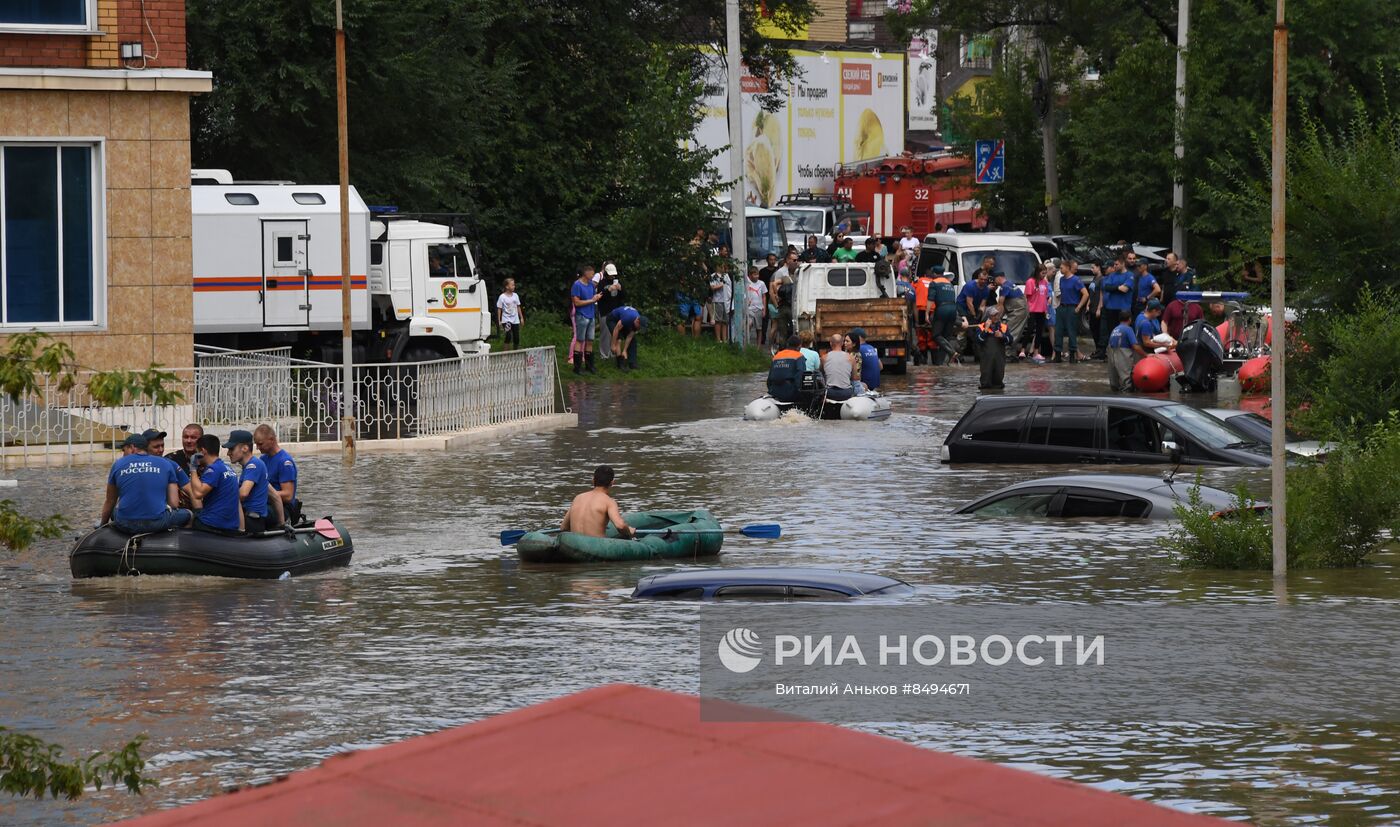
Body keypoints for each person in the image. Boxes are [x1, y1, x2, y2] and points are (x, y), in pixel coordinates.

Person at [99, 433, 190, 534]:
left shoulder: (118, 464)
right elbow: (174, 503)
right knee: (189, 514)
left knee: (114, 510)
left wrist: (102, 526)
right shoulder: (166, 463)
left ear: (132, 447)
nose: (123, 455)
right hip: (157, 523)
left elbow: (110, 501)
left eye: (124, 451)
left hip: (125, 523)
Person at [224, 429, 282, 533]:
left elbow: (243, 494)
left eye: (232, 449)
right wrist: (282, 524)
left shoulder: (253, 466)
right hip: (255, 521)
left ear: (245, 448)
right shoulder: (254, 465)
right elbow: (275, 496)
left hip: (252, 521)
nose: (228, 453)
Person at [189, 434, 243, 534]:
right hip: (231, 525)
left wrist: (193, 468)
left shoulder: (213, 469)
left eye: (197, 452)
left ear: (202, 451)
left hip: (213, 525)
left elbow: (198, 494)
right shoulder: (228, 469)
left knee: (189, 517)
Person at [561, 466, 634, 539]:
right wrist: (629, 531)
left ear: (593, 480)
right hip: (595, 547)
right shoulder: (608, 501)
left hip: (574, 545)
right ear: (612, 483)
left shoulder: (577, 498)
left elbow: (563, 527)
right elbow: (620, 525)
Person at [254, 424, 300, 525]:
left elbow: (288, 495)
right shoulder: (262, 460)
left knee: (254, 514)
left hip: (284, 508)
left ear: (271, 440)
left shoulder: (284, 462)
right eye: (256, 444)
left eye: (260, 444)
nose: (257, 448)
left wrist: (259, 495)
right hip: (266, 503)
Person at [142, 429, 193, 509]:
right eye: (156, 447)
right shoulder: (135, 465)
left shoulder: (170, 464)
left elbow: (190, 489)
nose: (161, 450)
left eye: (162, 445)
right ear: (145, 448)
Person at [1053, 260, 1088, 363]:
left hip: (1072, 307)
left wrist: (1079, 306)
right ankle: (1058, 354)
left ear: (1068, 268)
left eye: (1062, 268)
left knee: (1071, 331)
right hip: (1062, 307)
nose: (1060, 270)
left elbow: (1085, 294)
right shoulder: (1062, 279)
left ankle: (1072, 355)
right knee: (1058, 331)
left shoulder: (1076, 280)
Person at [1098, 256, 1133, 355]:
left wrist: (1114, 288)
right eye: (1114, 264)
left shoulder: (1129, 275)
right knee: (1111, 332)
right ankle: (1111, 353)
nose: (1115, 266)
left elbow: (1125, 289)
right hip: (1111, 308)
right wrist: (1118, 287)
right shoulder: (1112, 275)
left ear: (1122, 264)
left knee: (1124, 332)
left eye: (1117, 264)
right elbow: (1107, 287)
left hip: (1123, 308)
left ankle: (1124, 352)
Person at [570, 266, 602, 373]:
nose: (593, 276)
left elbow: (593, 298)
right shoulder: (577, 285)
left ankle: (590, 365)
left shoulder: (591, 285)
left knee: (590, 340)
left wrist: (596, 297)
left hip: (591, 315)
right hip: (582, 315)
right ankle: (577, 367)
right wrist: (591, 300)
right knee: (580, 339)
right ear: (586, 273)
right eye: (592, 274)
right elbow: (577, 302)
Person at [929, 264, 960, 365]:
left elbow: (930, 299)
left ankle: (952, 352)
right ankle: (939, 364)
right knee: (945, 337)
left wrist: (926, 314)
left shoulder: (934, 283)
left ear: (934, 273)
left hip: (942, 309)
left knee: (936, 335)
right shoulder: (949, 283)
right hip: (953, 310)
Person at [994, 272, 1027, 360]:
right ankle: (1011, 353)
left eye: (994, 280)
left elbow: (1000, 305)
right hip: (1022, 310)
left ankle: (1007, 354)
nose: (994, 282)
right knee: (1015, 332)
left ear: (999, 278)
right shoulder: (1011, 284)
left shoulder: (1004, 287)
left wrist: (995, 317)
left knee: (1010, 332)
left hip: (1018, 311)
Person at [594, 265, 624, 358]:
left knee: (614, 332)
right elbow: (599, 296)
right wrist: (608, 290)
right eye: (610, 274)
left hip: (615, 311)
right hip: (605, 310)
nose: (612, 276)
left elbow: (622, 297)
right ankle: (604, 354)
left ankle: (613, 352)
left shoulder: (618, 282)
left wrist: (620, 289)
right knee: (605, 333)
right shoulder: (602, 283)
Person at [1106, 311, 1139, 392]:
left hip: (1112, 357)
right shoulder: (1128, 329)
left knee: (1115, 385)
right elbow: (1135, 346)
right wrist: (1146, 355)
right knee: (1127, 384)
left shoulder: (1115, 329)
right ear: (1130, 319)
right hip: (1122, 356)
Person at [1024, 263, 1052, 362]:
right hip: (1032, 309)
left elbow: (1045, 296)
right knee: (1030, 329)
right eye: (1042, 273)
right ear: (1037, 272)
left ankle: (1036, 352)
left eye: (1045, 273)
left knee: (1039, 331)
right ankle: (1023, 350)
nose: (1044, 275)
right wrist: (1027, 309)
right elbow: (1026, 297)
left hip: (1042, 309)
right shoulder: (1030, 282)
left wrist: (1045, 309)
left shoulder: (1044, 282)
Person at [768, 336, 808, 404]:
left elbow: (769, 378)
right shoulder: (799, 356)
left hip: (774, 391)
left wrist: (771, 390)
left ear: (788, 344)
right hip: (790, 392)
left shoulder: (777, 356)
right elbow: (800, 376)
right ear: (799, 346)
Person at [977, 307, 1009, 390]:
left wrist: (1002, 336)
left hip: (999, 359)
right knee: (986, 380)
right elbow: (979, 340)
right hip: (986, 359)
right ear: (988, 317)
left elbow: (1011, 340)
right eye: (993, 315)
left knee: (998, 380)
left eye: (997, 315)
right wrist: (986, 330)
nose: (996, 317)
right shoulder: (981, 327)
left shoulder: (1003, 327)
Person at [607, 304, 647, 370]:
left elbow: (630, 336)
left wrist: (625, 350)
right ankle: (620, 364)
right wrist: (612, 345)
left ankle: (632, 363)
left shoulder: (637, 322)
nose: (639, 329)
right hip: (612, 320)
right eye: (639, 327)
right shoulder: (628, 318)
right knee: (618, 339)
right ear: (637, 321)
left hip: (623, 321)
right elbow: (616, 329)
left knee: (633, 340)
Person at [822, 333, 859, 401]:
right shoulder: (851, 358)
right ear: (842, 343)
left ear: (830, 343)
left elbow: (821, 375)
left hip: (830, 393)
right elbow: (855, 378)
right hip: (846, 393)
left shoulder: (824, 358)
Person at [495, 277, 524, 352]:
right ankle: (505, 354)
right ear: (507, 286)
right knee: (508, 336)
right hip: (506, 320)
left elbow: (518, 307)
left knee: (516, 338)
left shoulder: (515, 295)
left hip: (515, 320)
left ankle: (515, 352)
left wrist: (521, 318)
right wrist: (499, 320)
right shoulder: (502, 297)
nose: (514, 286)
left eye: (514, 285)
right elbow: (499, 309)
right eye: (512, 285)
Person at [708, 260, 733, 344]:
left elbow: (729, 286)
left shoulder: (726, 275)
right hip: (718, 300)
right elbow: (712, 287)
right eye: (720, 266)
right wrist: (722, 285)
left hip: (726, 301)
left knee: (725, 321)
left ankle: (725, 339)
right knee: (718, 320)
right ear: (716, 267)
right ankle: (718, 339)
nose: (722, 267)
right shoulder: (713, 276)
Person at [743, 266, 767, 344]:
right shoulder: (747, 283)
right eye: (754, 274)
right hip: (749, 308)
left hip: (759, 308)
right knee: (749, 324)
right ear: (750, 275)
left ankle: (758, 347)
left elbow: (764, 296)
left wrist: (764, 309)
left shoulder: (761, 283)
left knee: (759, 328)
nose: (757, 276)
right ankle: (746, 342)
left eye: (757, 274)